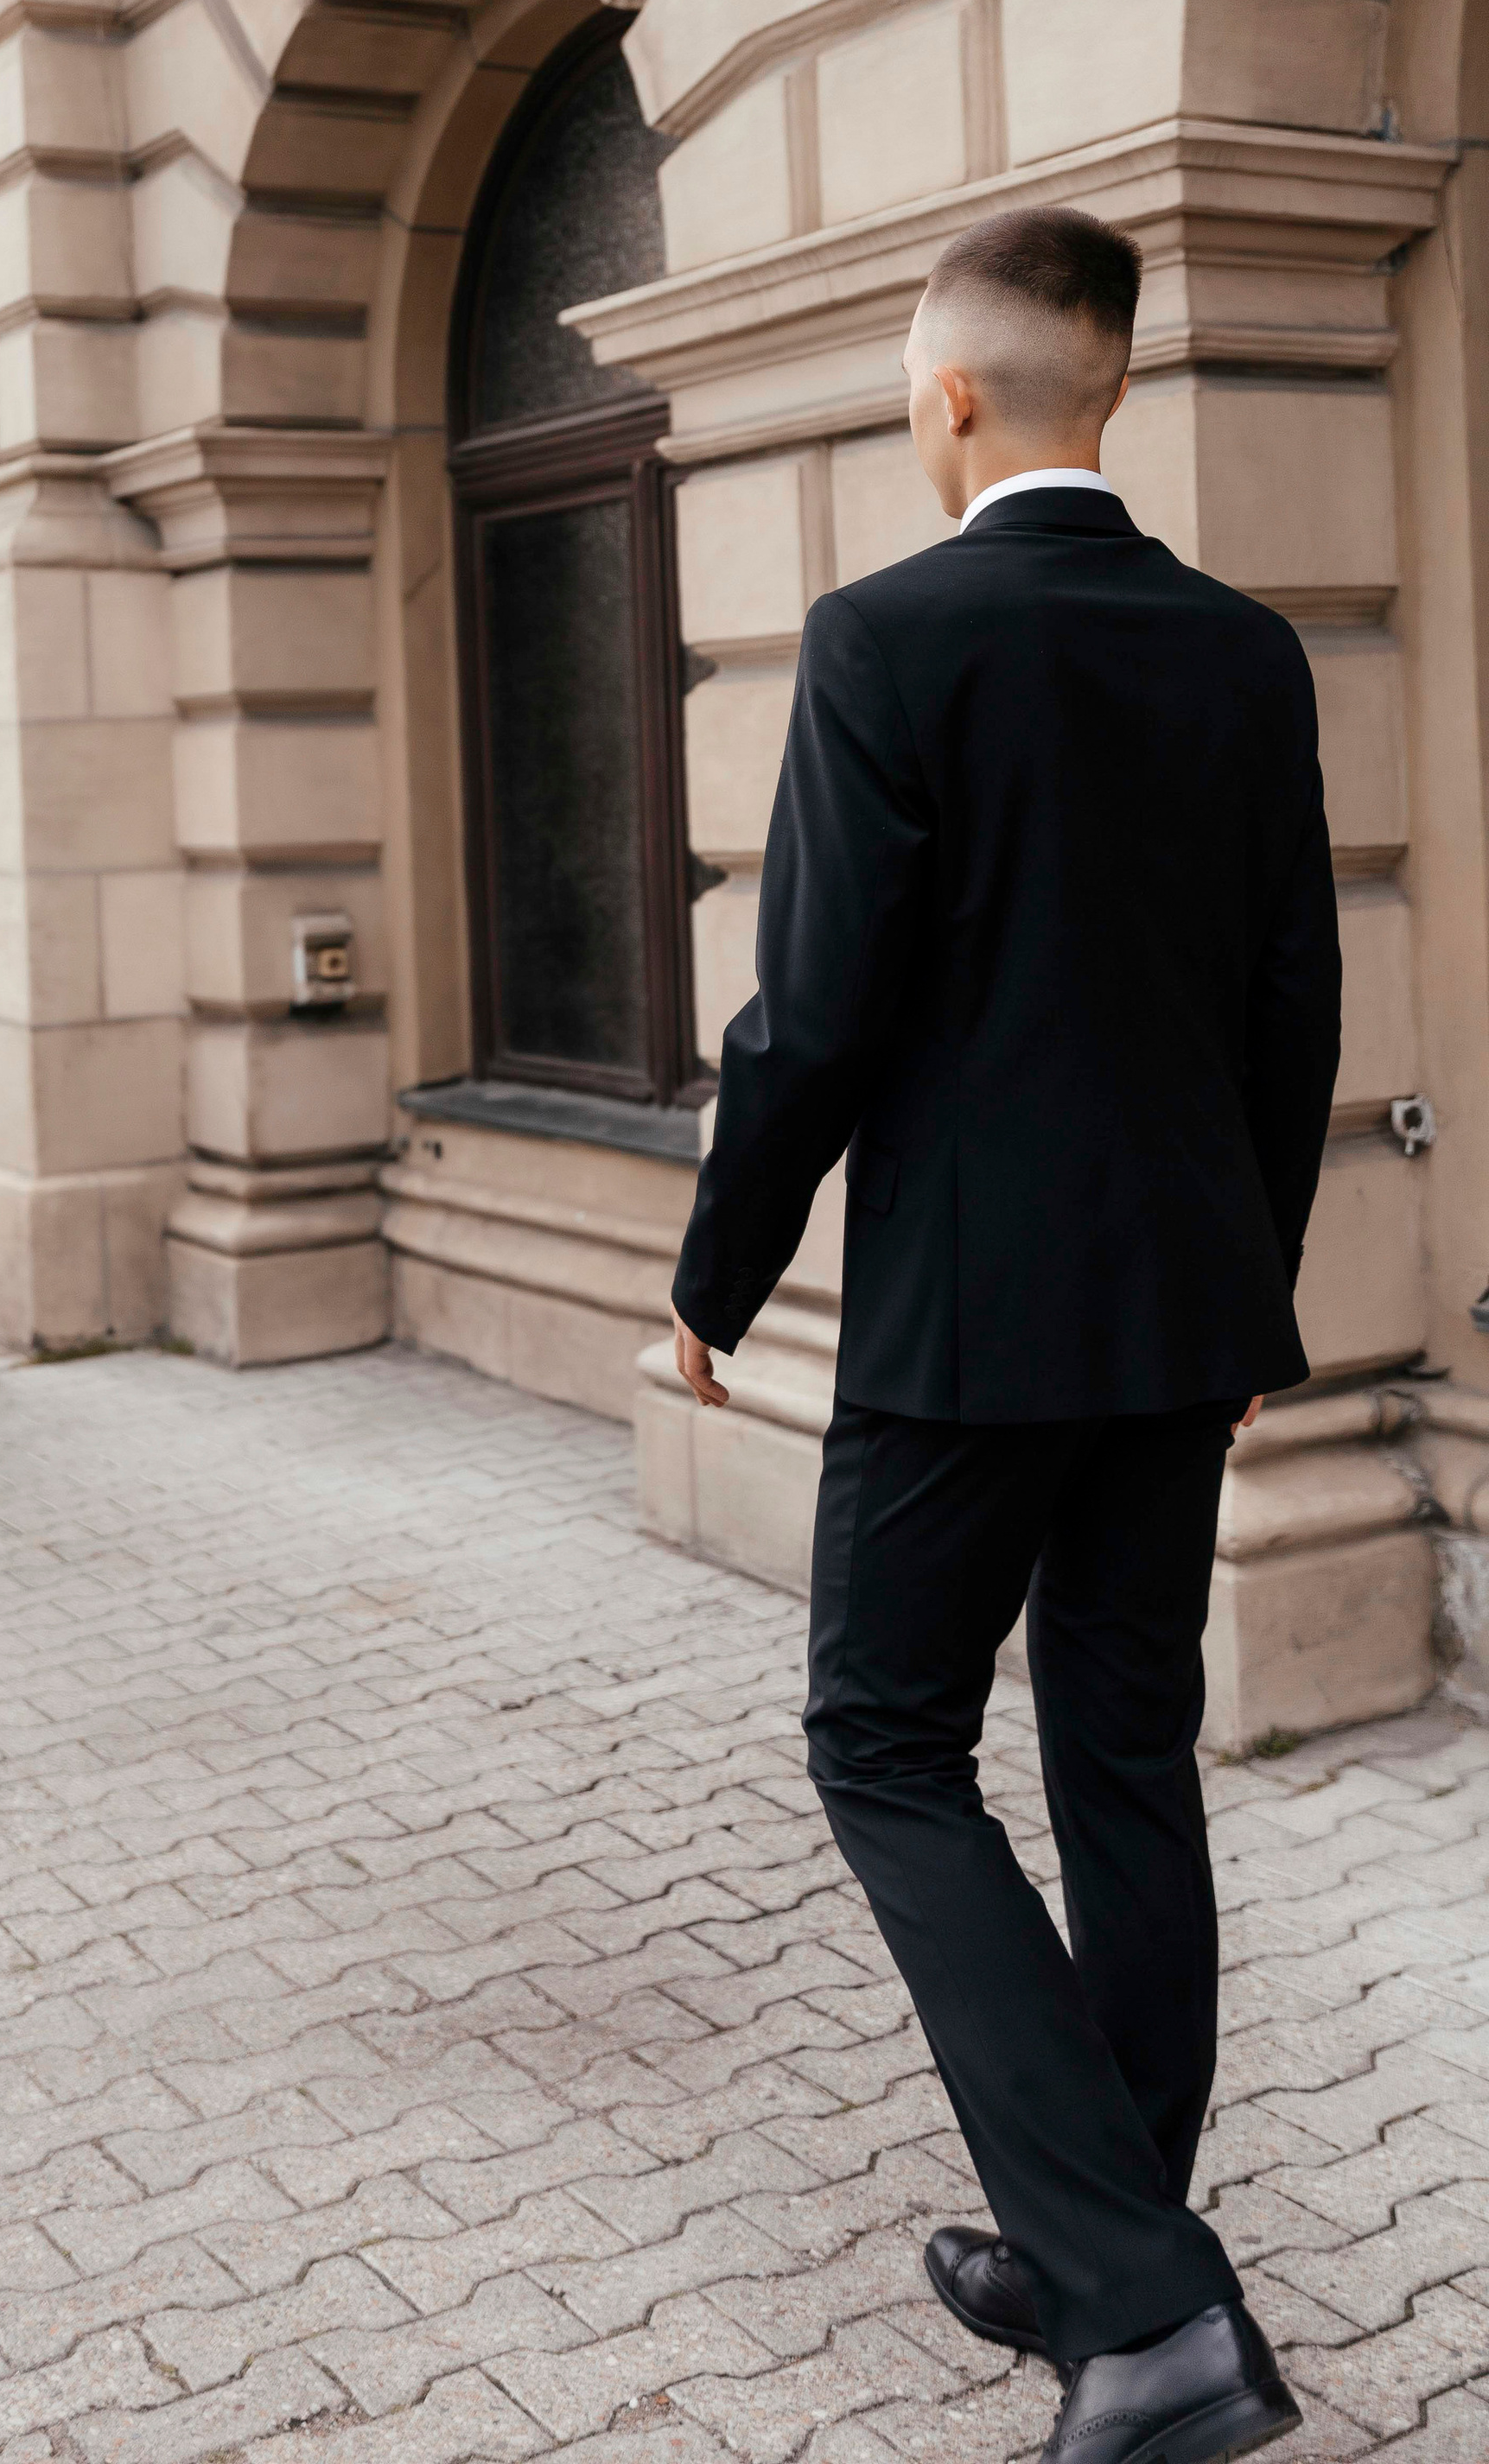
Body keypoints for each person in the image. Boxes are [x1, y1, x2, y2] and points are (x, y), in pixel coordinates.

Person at [670, 208, 1339, 2464]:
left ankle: (1150, 2312)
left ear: (951, 396)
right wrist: (1247, 1293)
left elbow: (817, 1017)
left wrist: (713, 1276)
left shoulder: (887, 636)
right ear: (1113, 391)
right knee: (1122, 1765)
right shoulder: (1245, 654)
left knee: (881, 1742)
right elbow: (1291, 1007)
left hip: (964, 1331)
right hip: (1177, 1311)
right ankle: (1096, 2260)